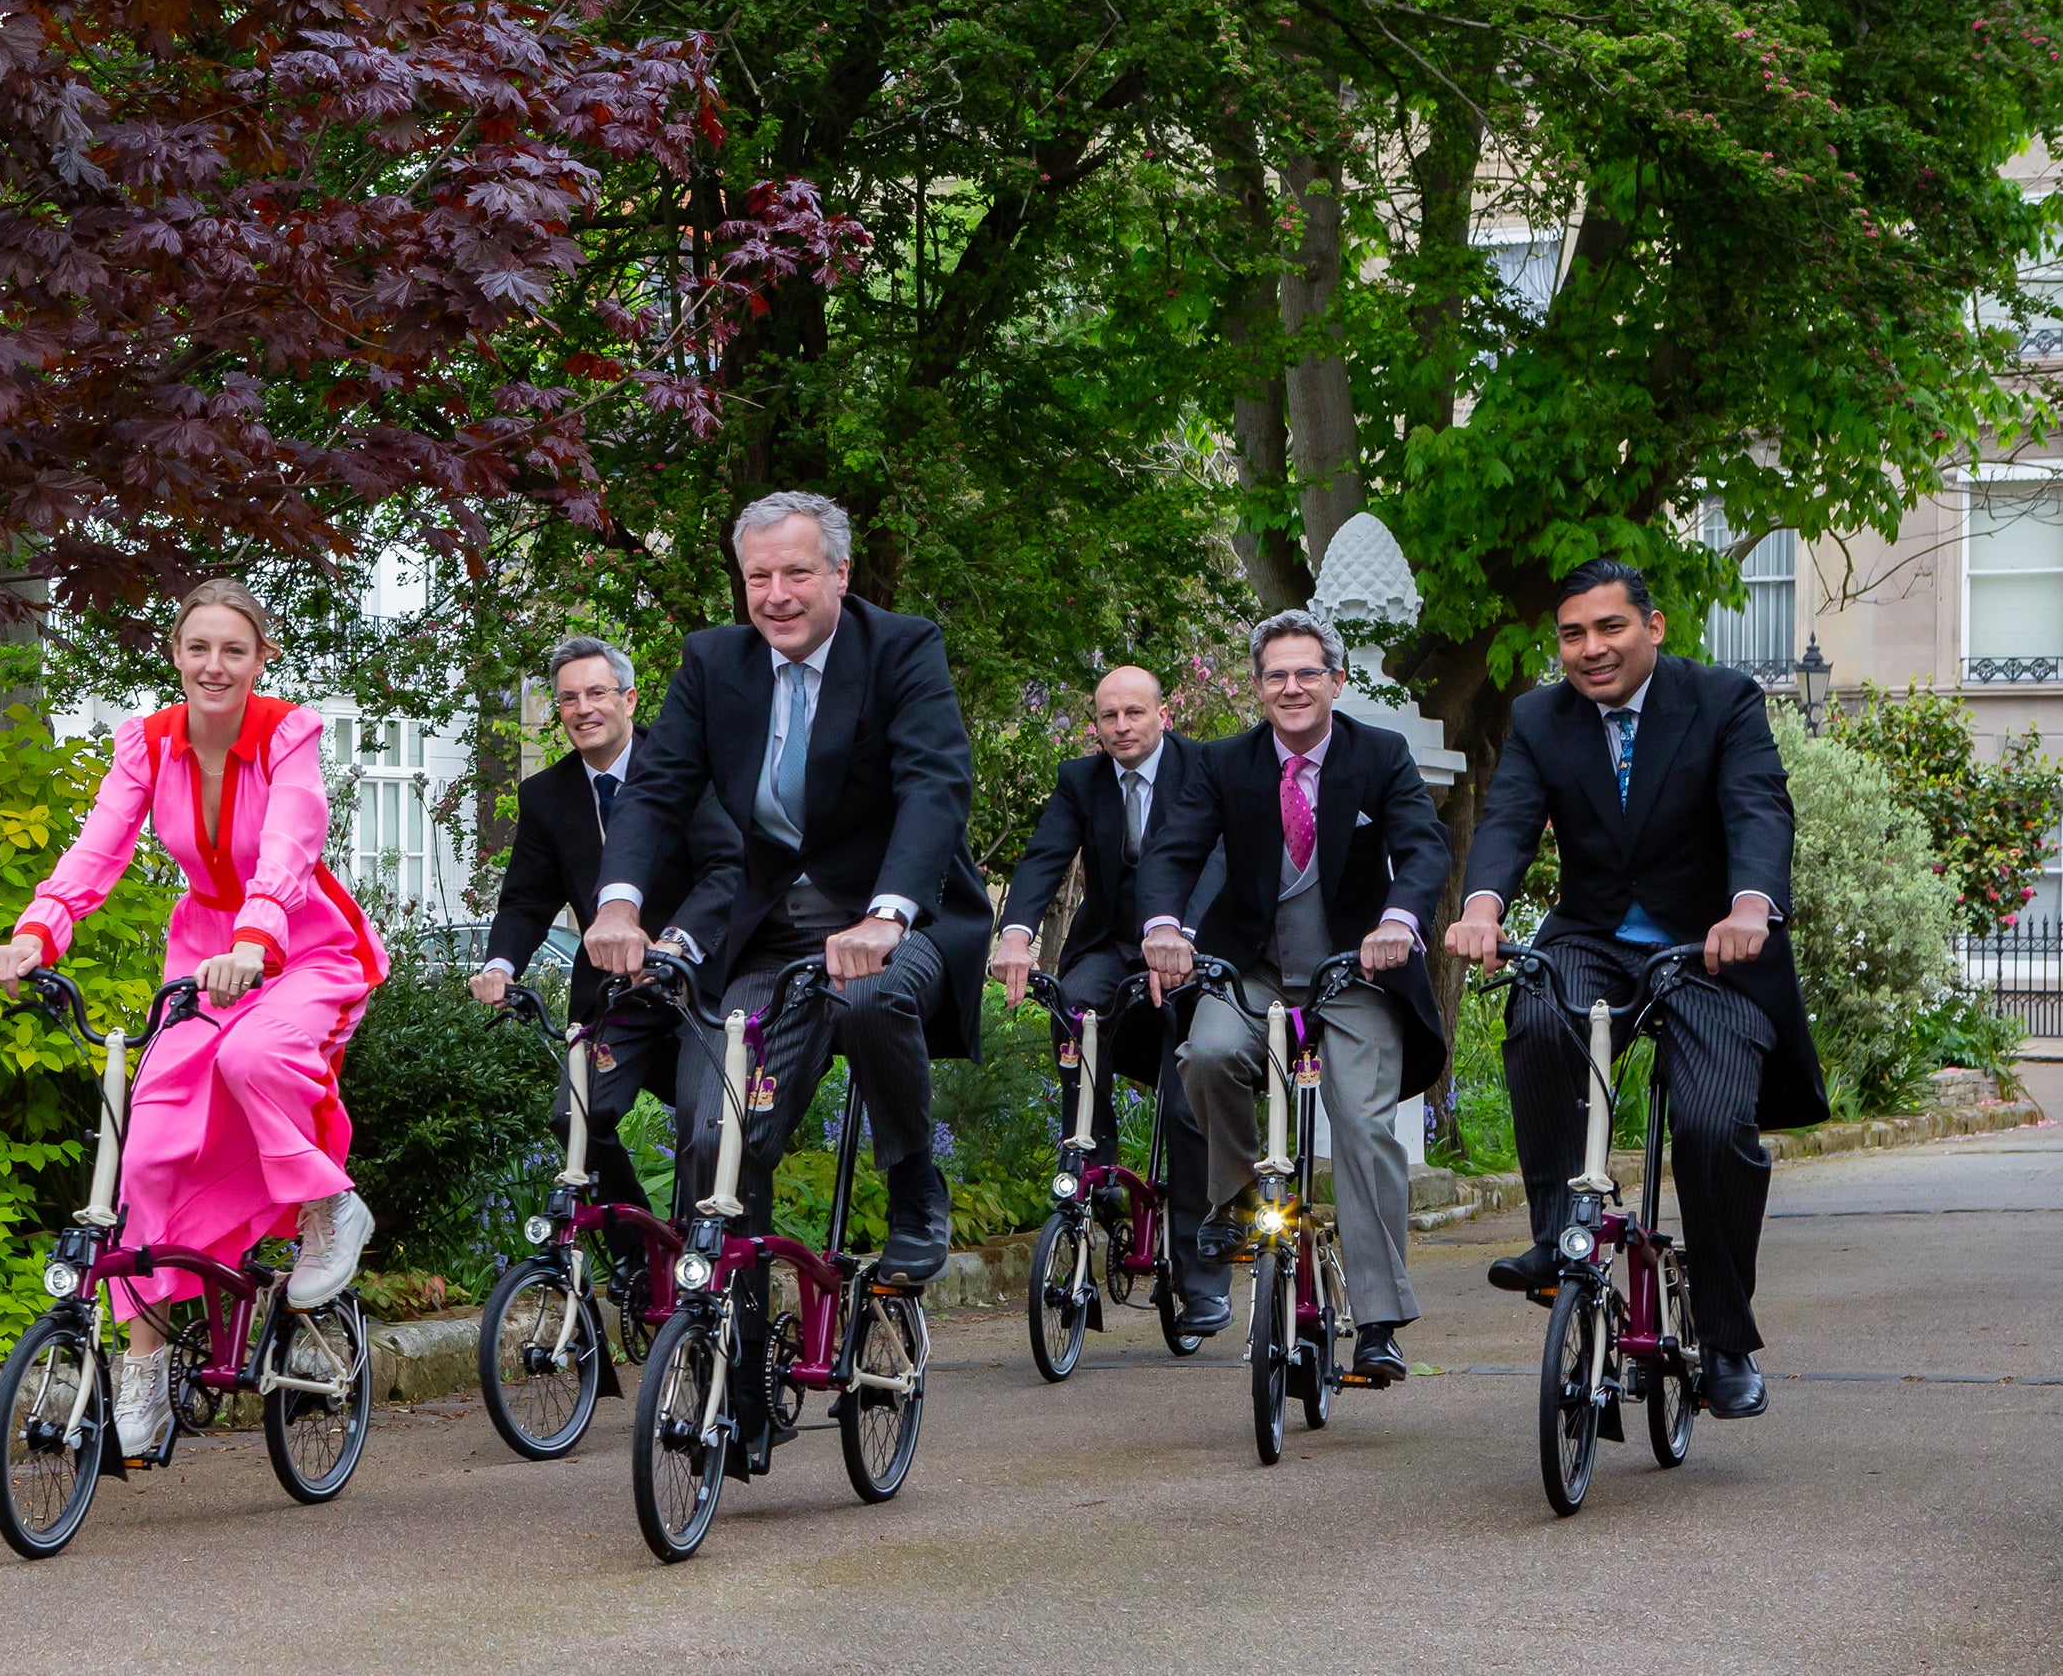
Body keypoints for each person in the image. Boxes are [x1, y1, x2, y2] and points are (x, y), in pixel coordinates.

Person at [0, 580, 389, 1456]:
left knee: (251, 1059)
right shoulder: (148, 744)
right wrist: (34, 934)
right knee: (151, 1144)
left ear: (260, 659)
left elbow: (291, 842)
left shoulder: (289, 733)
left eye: (234, 650)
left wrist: (255, 933)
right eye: (199, 647)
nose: (215, 664)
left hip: (303, 942)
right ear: (175, 655)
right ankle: (145, 1372)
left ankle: (331, 1204)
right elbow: (100, 845)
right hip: (205, 955)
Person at [1443, 558, 1825, 1420]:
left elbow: (1759, 808)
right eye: (1572, 634)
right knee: (1538, 1018)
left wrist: (1751, 906)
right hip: (1594, 936)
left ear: (1652, 627)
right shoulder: (1543, 717)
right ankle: (1557, 1235)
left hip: (1712, 945)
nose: (1591, 649)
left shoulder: (1722, 700)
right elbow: (1508, 816)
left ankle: (1725, 1337)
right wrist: (1481, 905)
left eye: (1609, 627)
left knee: (1712, 1124)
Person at [585, 490, 991, 1287]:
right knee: (716, 1138)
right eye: (758, 576)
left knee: (871, 995)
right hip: (773, 935)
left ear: (840, 572)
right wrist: (619, 901)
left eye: (797, 573)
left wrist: (885, 915)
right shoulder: (713, 662)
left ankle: (914, 1182)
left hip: (896, 923)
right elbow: (657, 790)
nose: (776, 596)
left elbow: (934, 784)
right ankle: (738, 1373)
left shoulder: (901, 649)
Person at [1137, 609, 1451, 1382]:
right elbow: (1171, 849)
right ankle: (1241, 1197)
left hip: (1356, 972)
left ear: (1336, 680)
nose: (1292, 686)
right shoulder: (1223, 763)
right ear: (1257, 686)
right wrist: (1165, 926)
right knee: (1205, 1054)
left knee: (1364, 1122)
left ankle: (1378, 1319)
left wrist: (1398, 922)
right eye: (1276, 674)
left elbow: (1421, 846)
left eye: (1308, 671)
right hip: (1253, 966)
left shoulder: (1380, 756)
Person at [468, 635, 741, 1275]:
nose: (583, 709)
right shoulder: (546, 796)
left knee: (706, 1131)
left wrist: (674, 944)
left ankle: (701, 1266)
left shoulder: (685, 769)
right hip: (616, 996)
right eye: (568, 699)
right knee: (575, 1119)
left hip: (701, 986)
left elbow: (726, 870)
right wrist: (500, 966)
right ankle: (640, 1260)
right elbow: (527, 899)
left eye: (597, 693)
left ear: (629, 698)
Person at [989, 665, 1234, 1332]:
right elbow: (1043, 858)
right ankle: (1093, 1168)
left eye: (1134, 713)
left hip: (1190, 944)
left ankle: (1202, 1276)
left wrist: (1178, 938)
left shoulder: (1206, 768)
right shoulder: (1081, 780)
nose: (1121, 726)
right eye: (1108, 716)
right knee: (1074, 1003)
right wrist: (1016, 933)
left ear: (1164, 715)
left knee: (1188, 1106)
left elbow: (1217, 861)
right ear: (1095, 723)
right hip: (1110, 943)